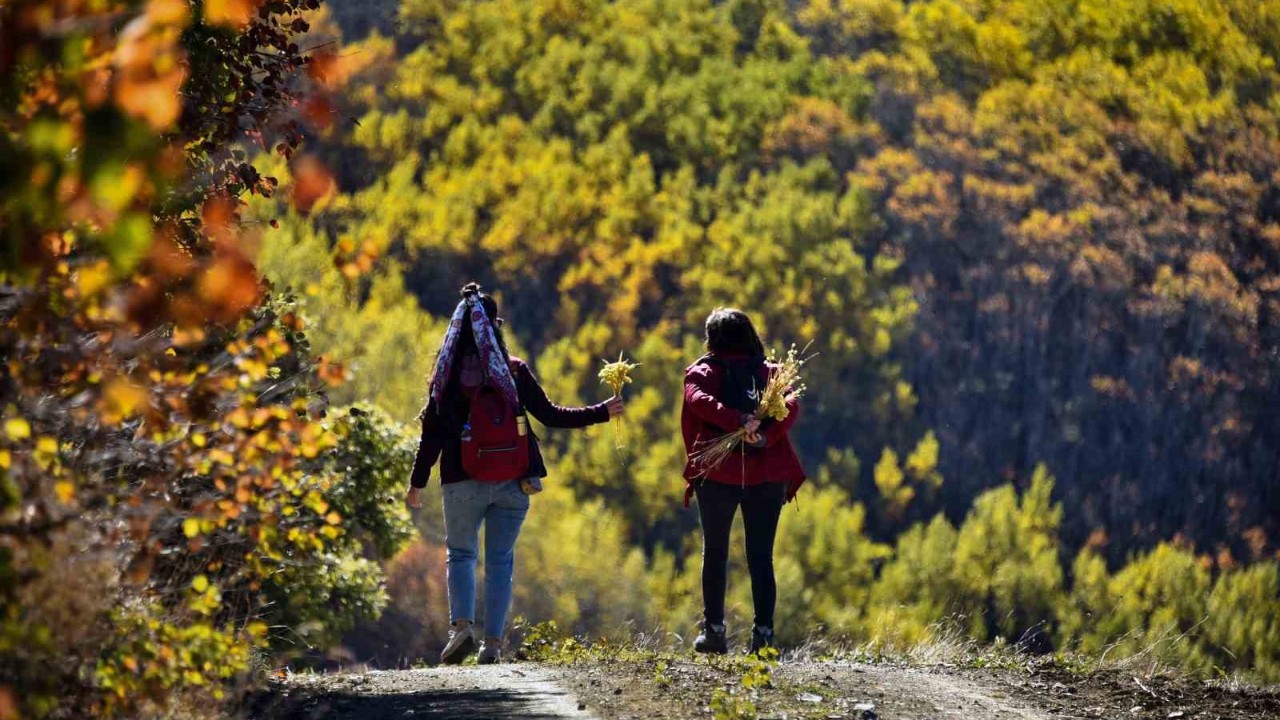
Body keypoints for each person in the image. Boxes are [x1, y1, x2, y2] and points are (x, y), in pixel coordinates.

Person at [405, 283, 624, 665]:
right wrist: (602, 411)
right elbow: (552, 416)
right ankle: (492, 644)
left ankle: (461, 629)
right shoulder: (514, 370)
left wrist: (417, 484)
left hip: (461, 483)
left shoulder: (447, 376)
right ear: (495, 327)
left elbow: (432, 438)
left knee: (461, 554)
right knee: (500, 562)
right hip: (512, 481)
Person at [681, 308, 806, 654]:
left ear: (713, 339)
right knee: (761, 557)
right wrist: (762, 434)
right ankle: (763, 636)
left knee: (715, 553)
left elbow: (697, 401)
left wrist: (735, 421)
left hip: (718, 474)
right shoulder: (772, 373)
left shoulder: (702, 372)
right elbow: (792, 404)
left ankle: (715, 632)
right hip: (767, 476)